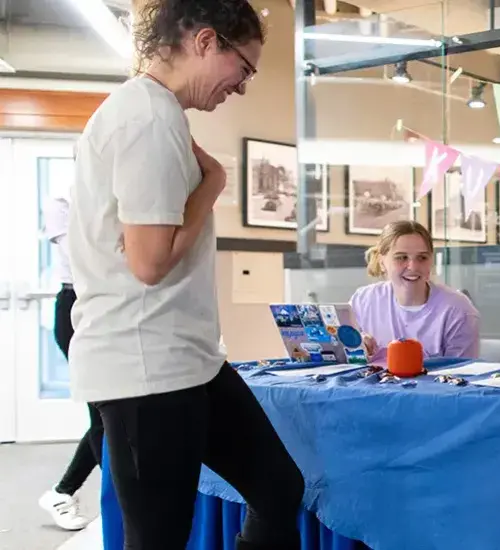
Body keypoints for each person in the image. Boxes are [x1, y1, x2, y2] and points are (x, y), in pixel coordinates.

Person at [66, 1, 302, 548]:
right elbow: (149, 262)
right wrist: (214, 182)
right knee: (159, 538)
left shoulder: (158, 112)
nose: (241, 87)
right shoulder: (146, 116)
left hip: (189, 361)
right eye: (243, 68)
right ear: (204, 42)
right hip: (145, 368)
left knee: (278, 487)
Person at [37, 195, 101, 531]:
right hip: (78, 306)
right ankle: (66, 492)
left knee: (112, 414)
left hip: (108, 306)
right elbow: (81, 260)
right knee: (106, 415)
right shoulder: (63, 199)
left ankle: (64, 492)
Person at [350, 220, 481, 362]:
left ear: (431, 261)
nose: (412, 267)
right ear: (382, 263)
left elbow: (461, 375)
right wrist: (357, 346)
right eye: (401, 257)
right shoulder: (363, 301)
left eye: (422, 258)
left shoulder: (458, 310)